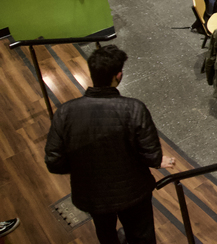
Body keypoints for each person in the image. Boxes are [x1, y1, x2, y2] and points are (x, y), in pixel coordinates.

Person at [44, 45, 175, 244]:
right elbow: (150, 155)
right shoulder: (134, 109)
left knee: (105, 234)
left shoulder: (65, 112)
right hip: (133, 192)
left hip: (92, 194)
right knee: (141, 235)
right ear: (118, 75)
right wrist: (157, 161)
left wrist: (84, 166)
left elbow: (54, 161)